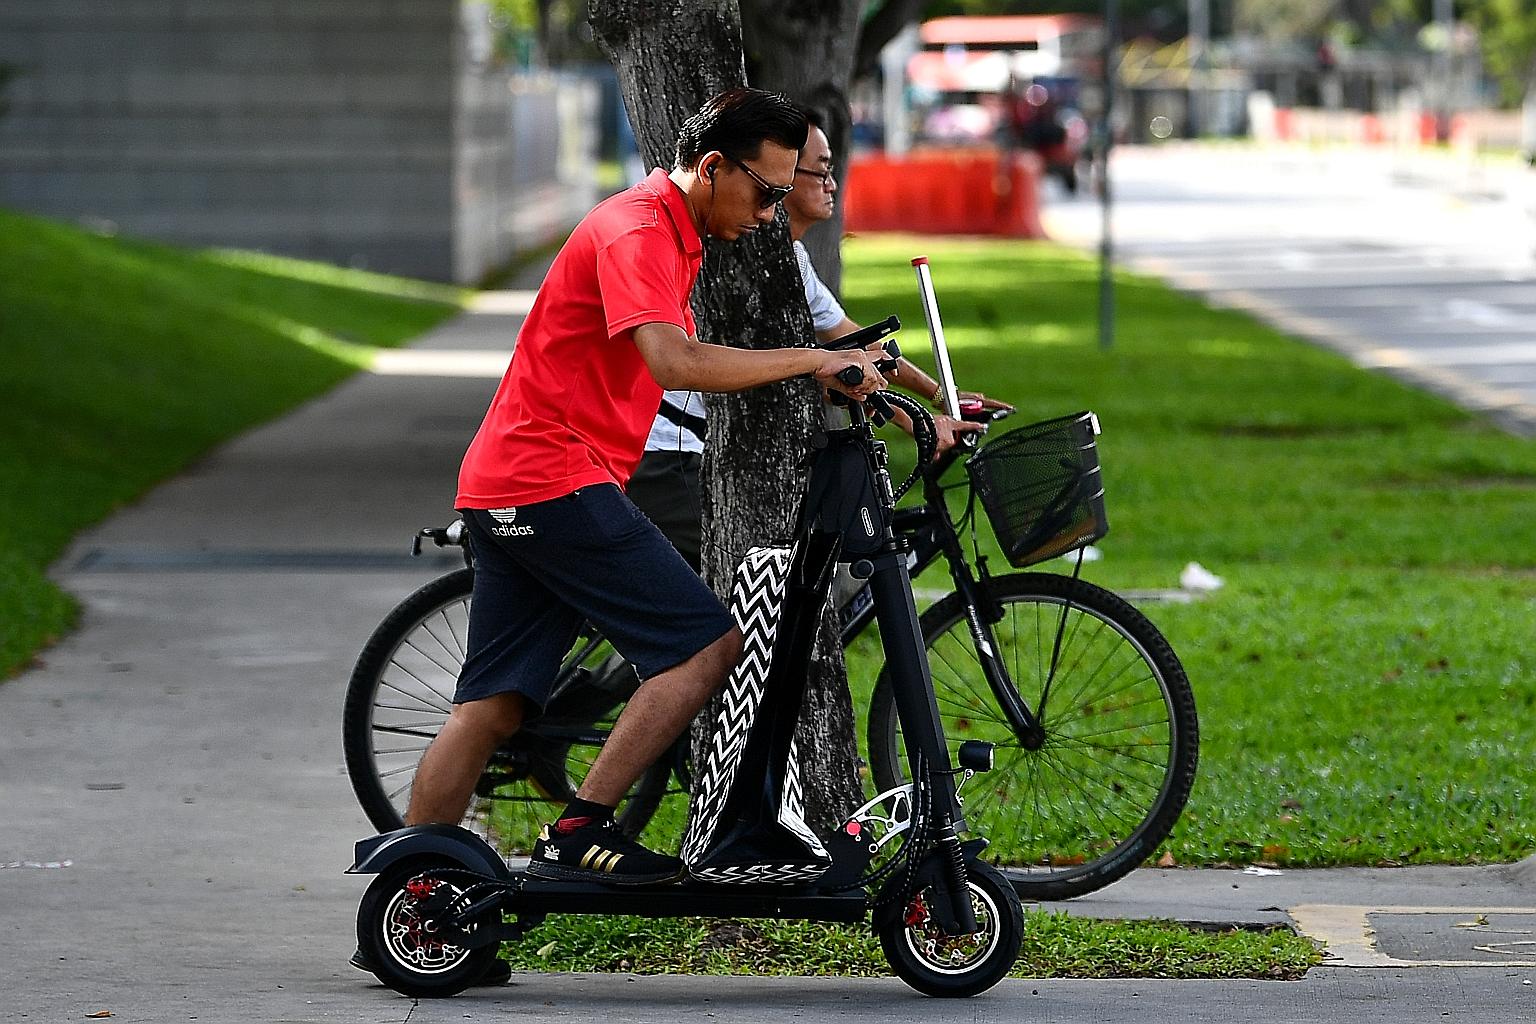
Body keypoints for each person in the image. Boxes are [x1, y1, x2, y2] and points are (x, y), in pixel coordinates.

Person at [407, 88, 888, 888]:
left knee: (492, 707)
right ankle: (579, 831)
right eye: (765, 192)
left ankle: (416, 890)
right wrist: (810, 362)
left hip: (515, 481)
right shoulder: (639, 230)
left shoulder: (674, 230)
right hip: (551, 479)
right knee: (706, 648)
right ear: (713, 167)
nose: (770, 214)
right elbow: (675, 362)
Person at [628, 106, 1013, 570]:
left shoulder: (792, 262)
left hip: (705, 452)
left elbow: (857, 343)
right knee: (747, 583)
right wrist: (908, 415)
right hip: (672, 452)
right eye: (819, 172)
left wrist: (937, 396)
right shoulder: (734, 258)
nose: (831, 184)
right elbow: (688, 363)